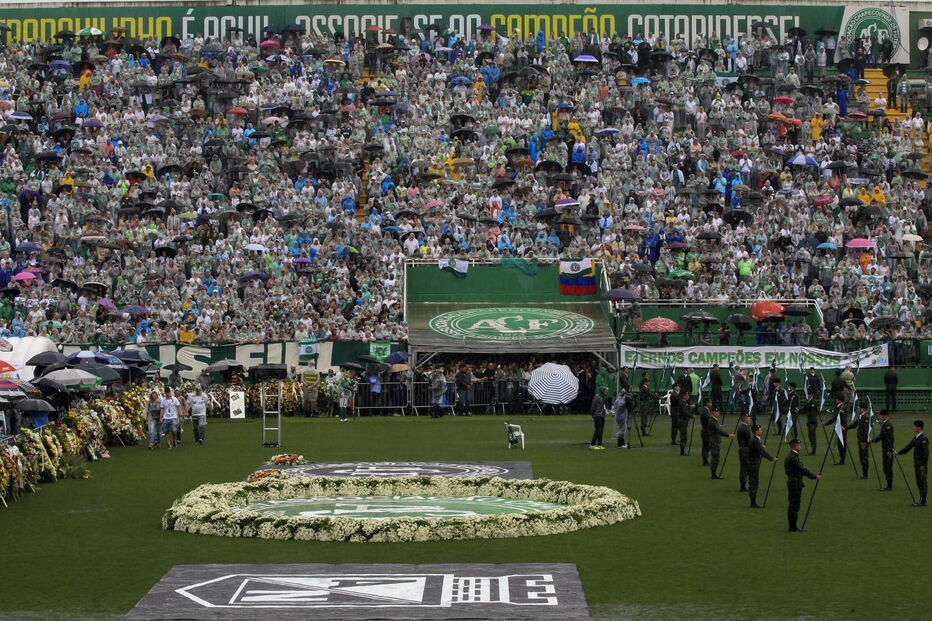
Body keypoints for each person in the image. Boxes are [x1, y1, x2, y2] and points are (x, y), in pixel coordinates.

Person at [785, 438, 821, 531]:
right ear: (795, 446)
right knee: (794, 505)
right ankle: (793, 526)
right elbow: (802, 469)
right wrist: (814, 476)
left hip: (794, 481)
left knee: (794, 505)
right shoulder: (793, 458)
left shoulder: (792, 456)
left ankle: (793, 525)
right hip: (795, 483)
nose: (800, 446)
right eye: (799, 445)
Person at [892, 420, 928, 507]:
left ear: (919, 427)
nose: (913, 427)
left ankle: (923, 501)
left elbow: (926, 453)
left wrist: (923, 465)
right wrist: (898, 453)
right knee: (919, 482)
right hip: (916, 463)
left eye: (914, 426)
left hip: (921, 465)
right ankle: (921, 499)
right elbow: (908, 447)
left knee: (922, 482)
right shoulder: (916, 438)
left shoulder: (923, 439)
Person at [707, 408, 734, 479]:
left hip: (715, 441)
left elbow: (716, 428)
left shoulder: (714, 420)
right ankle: (714, 474)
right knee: (715, 457)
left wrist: (719, 426)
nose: (718, 413)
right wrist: (728, 435)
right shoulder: (712, 421)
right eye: (717, 412)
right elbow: (718, 431)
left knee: (716, 457)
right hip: (714, 441)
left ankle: (714, 473)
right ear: (713, 413)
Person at [847, 402, 871, 479]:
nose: (859, 410)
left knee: (864, 457)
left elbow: (866, 430)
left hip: (863, 441)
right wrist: (846, 428)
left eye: (860, 408)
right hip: (860, 440)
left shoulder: (865, 417)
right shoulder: (861, 417)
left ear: (862, 409)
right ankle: (864, 473)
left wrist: (864, 441)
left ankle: (865, 474)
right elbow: (854, 424)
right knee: (861, 457)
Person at [873, 409, 895, 491]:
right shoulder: (885, 424)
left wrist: (890, 450)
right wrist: (873, 440)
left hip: (888, 450)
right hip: (885, 449)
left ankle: (889, 485)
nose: (880, 417)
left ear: (886, 416)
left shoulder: (888, 425)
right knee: (885, 467)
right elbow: (881, 436)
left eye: (882, 415)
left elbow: (890, 439)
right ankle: (888, 484)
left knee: (888, 467)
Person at [823, 395, 848, 465]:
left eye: (836, 399)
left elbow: (838, 418)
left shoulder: (842, 407)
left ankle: (842, 460)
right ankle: (842, 459)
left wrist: (826, 423)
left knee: (842, 444)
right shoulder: (839, 407)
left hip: (842, 428)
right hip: (839, 427)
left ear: (840, 400)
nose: (835, 400)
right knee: (840, 444)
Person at [736, 412, 753, 492]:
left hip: (742, 449)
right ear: (745, 419)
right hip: (745, 450)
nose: (750, 419)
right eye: (748, 418)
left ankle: (743, 485)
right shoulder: (745, 429)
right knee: (746, 468)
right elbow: (749, 441)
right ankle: (744, 485)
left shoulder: (741, 427)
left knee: (743, 468)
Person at [673, 391, 691, 456]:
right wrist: (691, 416)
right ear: (684, 396)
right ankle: (682, 451)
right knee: (683, 437)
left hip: (682, 421)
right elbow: (685, 412)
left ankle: (682, 450)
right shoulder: (682, 403)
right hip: (682, 421)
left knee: (683, 436)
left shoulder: (684, 403)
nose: (688, 396)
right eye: (687, 395)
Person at [697, 396, 712, 466]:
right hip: (706, 431)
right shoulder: (705, 412)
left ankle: (705, 459)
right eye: (710, 402)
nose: (711, 404)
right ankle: (705, 460)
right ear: (707, 403)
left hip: (706, 431)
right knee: (706, 446)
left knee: (707, 446)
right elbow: (709, 421)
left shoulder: (706, 411)